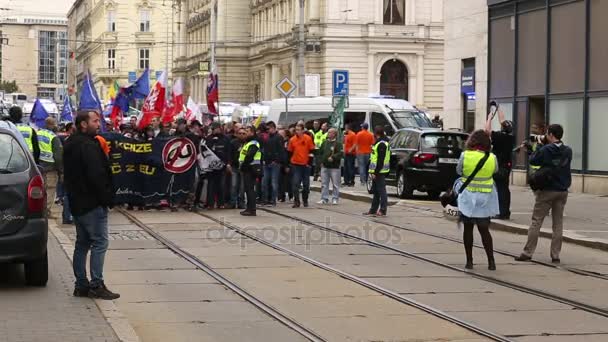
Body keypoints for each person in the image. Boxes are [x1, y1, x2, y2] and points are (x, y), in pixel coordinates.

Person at [64, 110, 119, 300]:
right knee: (100, 242)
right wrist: (107, 198)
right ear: (83, 124)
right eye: (95, 121)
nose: (99, 124)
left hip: (77, 202)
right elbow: (97, 175)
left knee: (82, 243)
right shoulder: (88, 145)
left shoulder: (71, 142)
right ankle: (96, 284)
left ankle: (81, 285)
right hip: (92, 203)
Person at [515, 124, 572, 264]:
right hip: (562, 190)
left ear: (551, 134)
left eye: (547, 134)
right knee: (558, 223)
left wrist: (538, 146)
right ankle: (555, 255)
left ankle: (527, 252)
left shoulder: (546, 149)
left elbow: (534, 160)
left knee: (537, 221)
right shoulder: (568, 150)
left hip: (547, 190)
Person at [456, 130, 499, 270]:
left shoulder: (465, 155)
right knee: (484, 229)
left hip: (468, 197)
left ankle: (469, 261)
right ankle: (491, 262)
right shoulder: (492, 157)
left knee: (468, 229)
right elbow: (495, 171)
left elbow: (459, 171)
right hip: (485, 198)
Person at [485, 102, 515, 220]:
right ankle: (505, 211)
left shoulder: (499, 137)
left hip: (499, 166)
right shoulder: (510, 137)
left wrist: (489, 118)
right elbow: (503, 121)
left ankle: (502, 212)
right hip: (507, 165)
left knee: (499, 189)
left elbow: (487, 130)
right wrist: (498, 108)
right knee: (504, 188)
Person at [364, 126, 390, 217]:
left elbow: (380, 160)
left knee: (381, 191)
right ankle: (373, 209)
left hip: (379, 171)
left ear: (376, 133)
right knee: (376, 191)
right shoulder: (379, 142)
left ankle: (383, 210)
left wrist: (376, 172)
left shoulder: (382, 143)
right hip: (377, 171)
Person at [288, 124, 316, 208]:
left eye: (299, 130)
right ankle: (296, 201)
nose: (297, 131)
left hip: (305, 165)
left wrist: (309, 164)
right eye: (296, 130)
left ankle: (305, 200)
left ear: (303, 130)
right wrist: (290, 163)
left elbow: (311, 151)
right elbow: (289, 152)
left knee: (306, 185)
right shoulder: (292, 140)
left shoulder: (308, 138)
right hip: (296, 165)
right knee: (295, 183)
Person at [205, 122, 232, 209]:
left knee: (221, 184)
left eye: (217, 128)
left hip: (222, 165)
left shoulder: (226, 139)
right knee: (211, 184)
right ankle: (210, 203)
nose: (216, 130)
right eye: (214, 128)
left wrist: (228, 163)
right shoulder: (209, 139)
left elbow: (228, 152)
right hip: (211, 166)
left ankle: (221, 203)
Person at [239, 126, 262, 216]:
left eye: (247, 132)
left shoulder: (253, 143)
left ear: (252, 132)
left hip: (250, 168)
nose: (245, 133)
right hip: (248, 168)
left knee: (250, 189)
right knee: (248, 189)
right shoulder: (248, 143)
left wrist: (243, 166)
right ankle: (249, 208)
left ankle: (251, 209)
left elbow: (249, 156)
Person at [261, 121, 284, 207]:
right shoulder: (267, 138)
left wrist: (277, 161)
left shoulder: (278, 137)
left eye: (268, 129)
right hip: (267, 162)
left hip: (274, 163)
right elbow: (265, 150)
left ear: (273, 128)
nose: (267, 130)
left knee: (274, 182)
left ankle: (273, 200)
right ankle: (266, 199)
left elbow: (281, 150)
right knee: (265, 182)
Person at [318, 128, 343, 205]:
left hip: (334, 167)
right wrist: (321, 162)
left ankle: (335, 198)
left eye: (330, 132)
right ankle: (324, 198)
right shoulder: (324, 143)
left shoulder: (338, 143)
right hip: (325, 166)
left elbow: (341, 153)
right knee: (324, 184)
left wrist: (333, 157)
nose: (328, 134)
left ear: (334, 134)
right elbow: (320, 153)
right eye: (328, 132)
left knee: (335, 184)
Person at [228, 127, 246, 209]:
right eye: (240, 133)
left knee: (242, 187)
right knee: (234, 185)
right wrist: (229, 164)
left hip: (244, 167)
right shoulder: (233, 143)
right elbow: (229, 154)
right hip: (235, 167)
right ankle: (232, 202)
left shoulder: (247, 143)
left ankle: (241, 202)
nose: (242, 135)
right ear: (237, 134)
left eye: (243, 133)